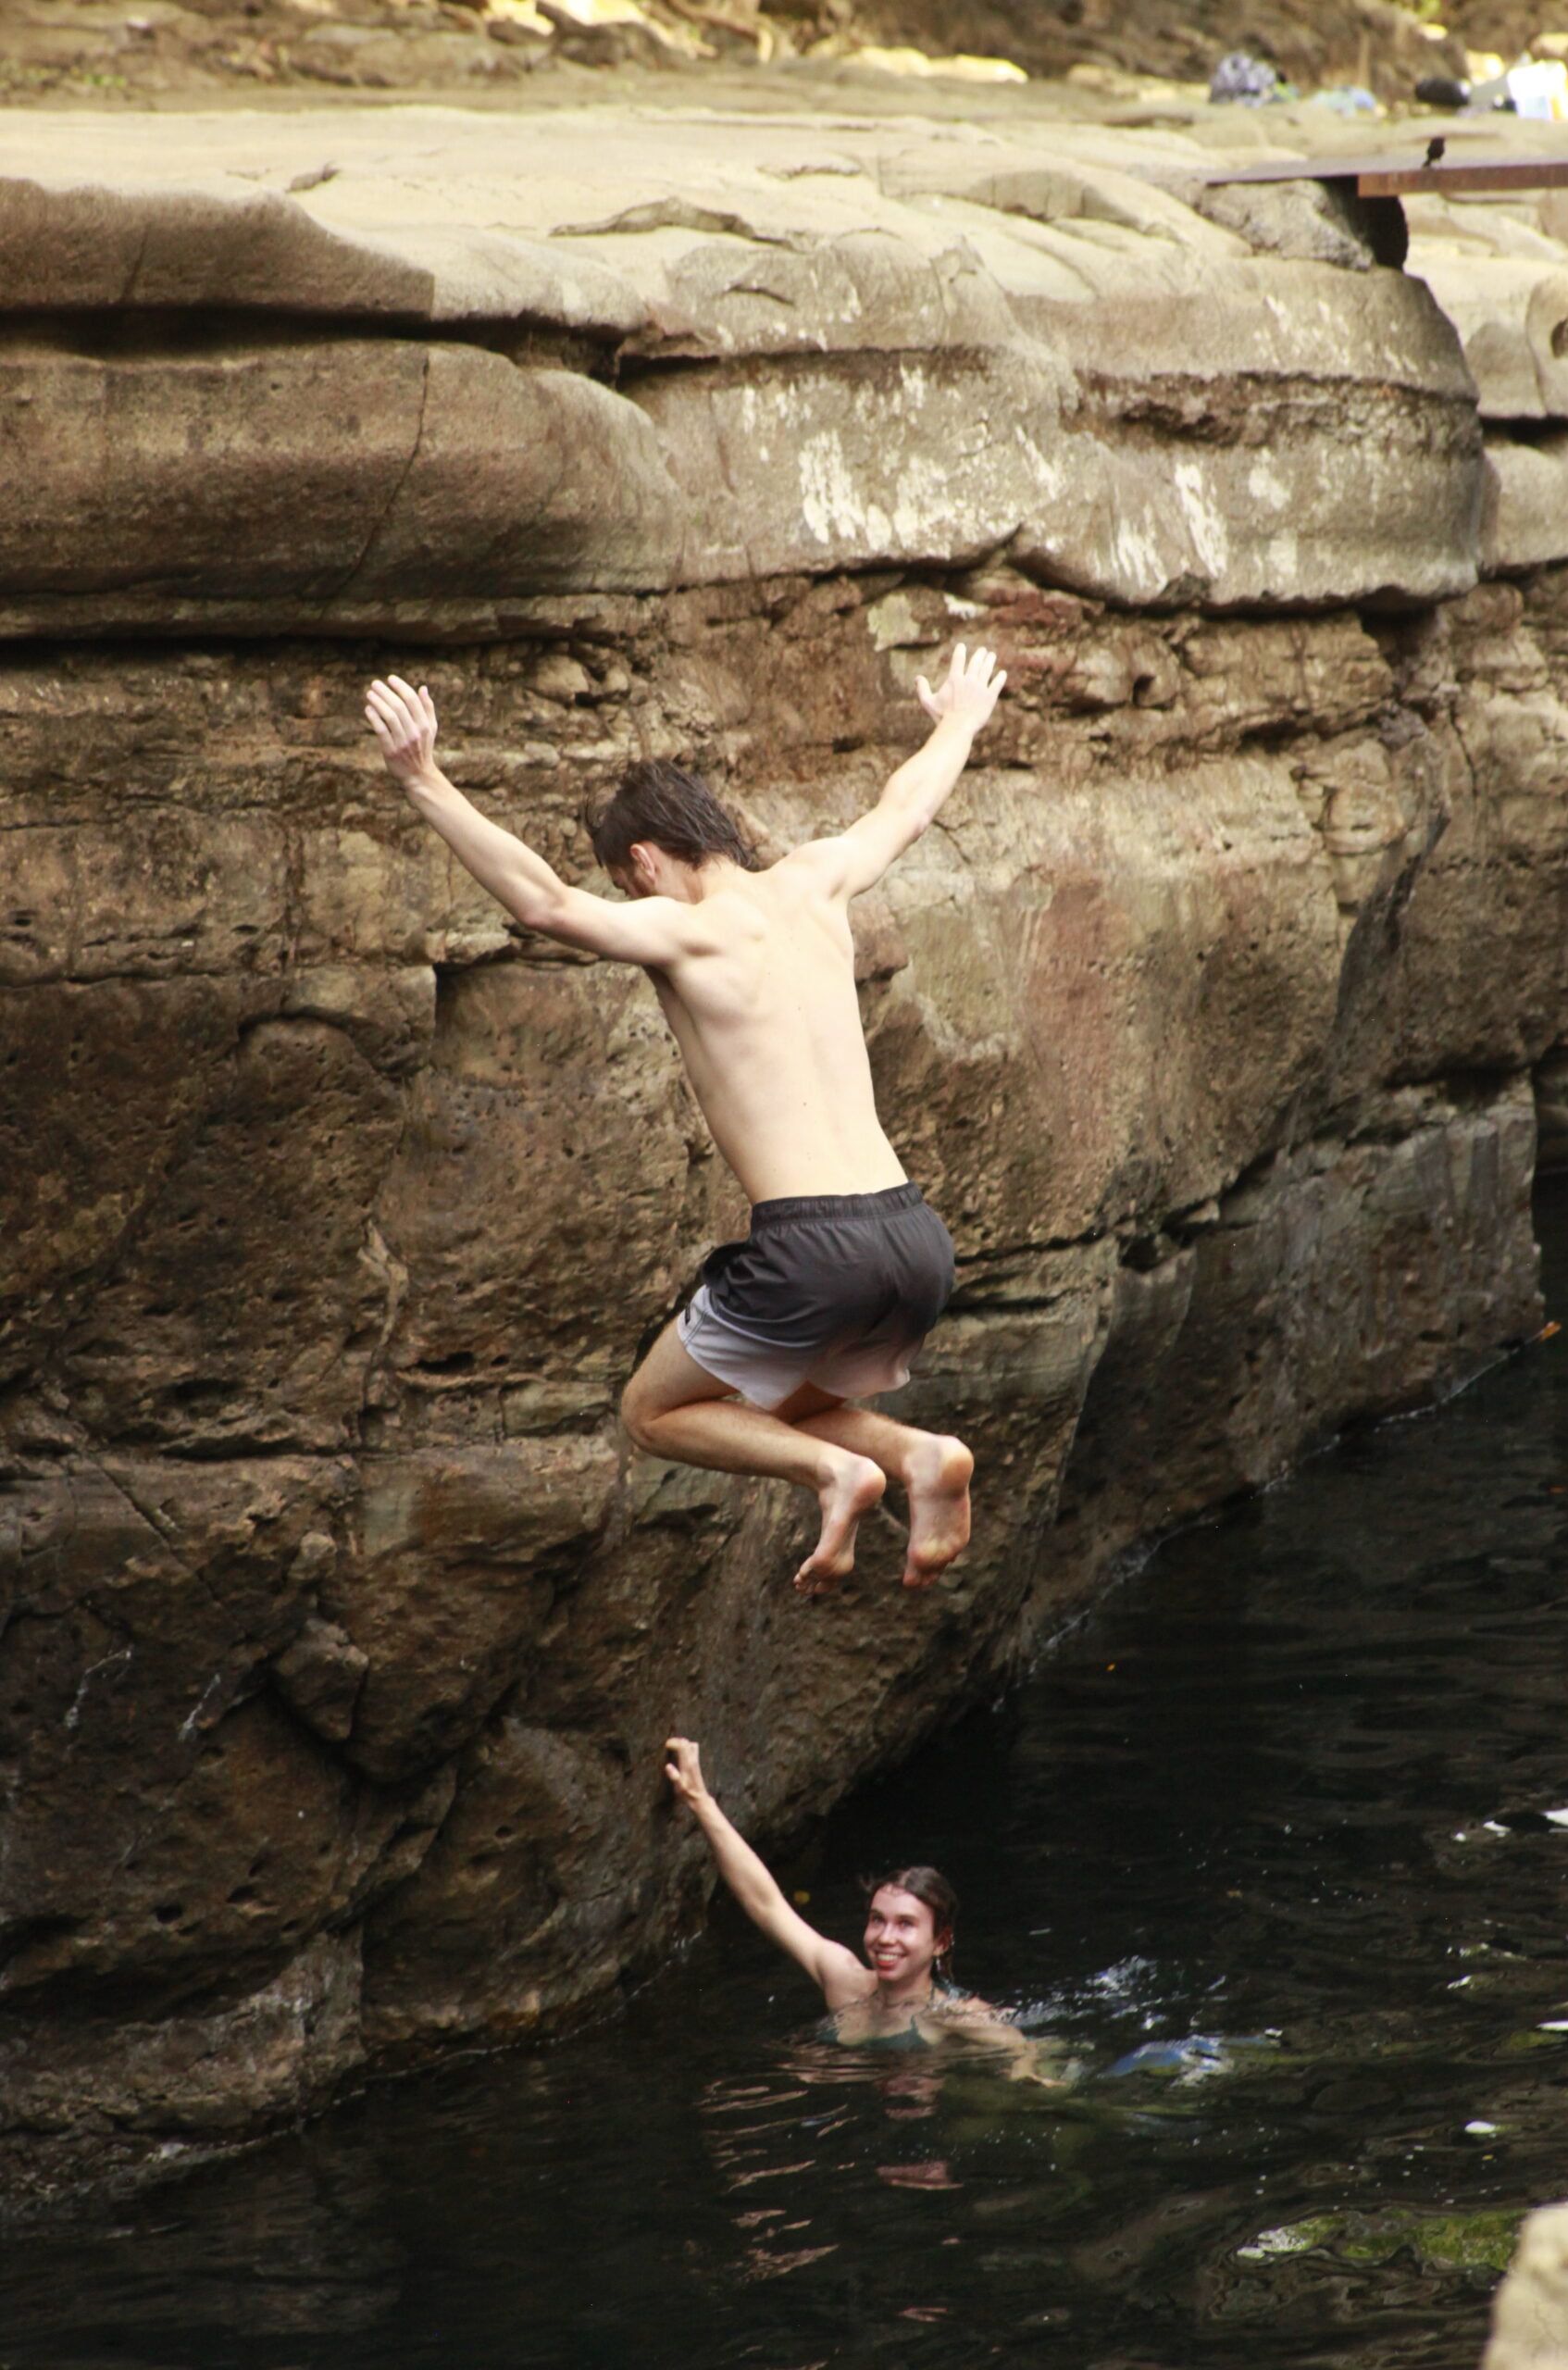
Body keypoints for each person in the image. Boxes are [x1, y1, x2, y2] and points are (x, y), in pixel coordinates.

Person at [365, 643, 1006, 1593]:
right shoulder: (819, 880)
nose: (633, 902)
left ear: (644, 859)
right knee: (774, 1401)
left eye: (629, 886)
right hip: (913, 1237)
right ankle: (918, 1457)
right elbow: (903, 808)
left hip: (812, 1247)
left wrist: (424, 778)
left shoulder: (689, 928)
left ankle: (845, 1473)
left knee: (653, 1412)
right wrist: (958, 720)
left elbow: (542, 903)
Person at [664, 1735, 1032, 2057]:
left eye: (906, 1924)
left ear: (941, 1941)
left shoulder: (956, 2015)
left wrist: (1027, 2072)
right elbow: (767, 1906)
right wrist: (700, 1801)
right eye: (878, 1920)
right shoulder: (844, 1979)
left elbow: (1024, 2051)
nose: (885, 1937)